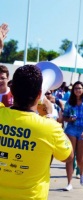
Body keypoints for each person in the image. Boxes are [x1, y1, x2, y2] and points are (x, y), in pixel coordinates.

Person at [0, 65, 73, 200]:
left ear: (13, 90)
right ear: (39, 94)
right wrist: (50, 115)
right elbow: (68, 156)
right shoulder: (50, 127)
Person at [63, 81, 83, 191]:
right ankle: (69, 183)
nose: (78, 90)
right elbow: (64, 116)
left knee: (80, 158)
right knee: (70, 157)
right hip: (71, 129)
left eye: (80, 88)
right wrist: (69, 119)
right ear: (73, 90)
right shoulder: (69, 101)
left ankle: (82, 172)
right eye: (76, 88)